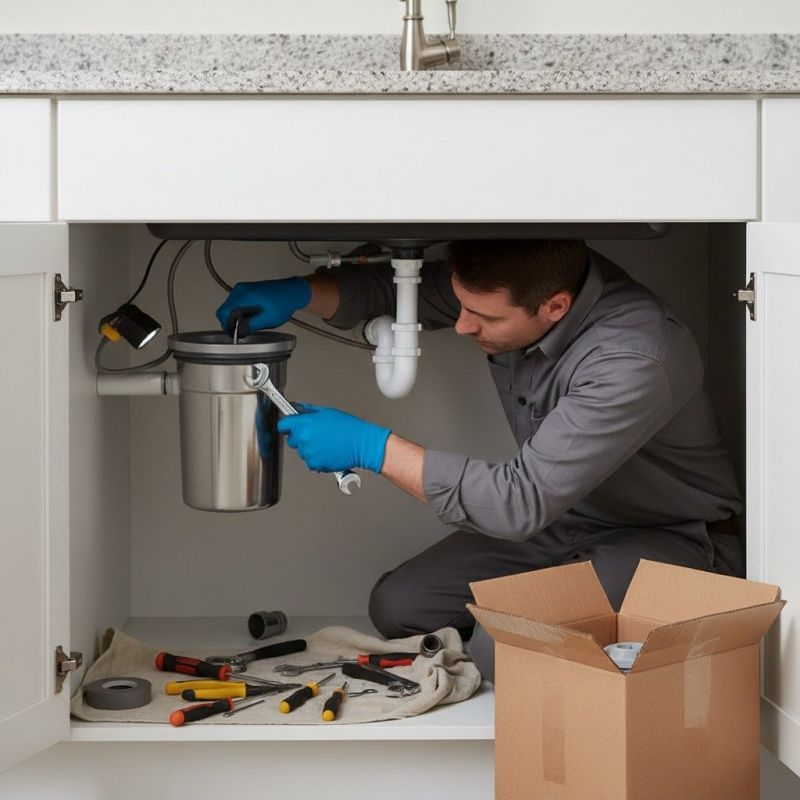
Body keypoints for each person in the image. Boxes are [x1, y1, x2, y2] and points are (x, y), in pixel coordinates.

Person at [216, 240, 743, 682]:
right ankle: (564, 598)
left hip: (673, 536)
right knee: (400, 606)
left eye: (483, 317)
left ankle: (581, 614)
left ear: (555, 308)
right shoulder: (522, 282)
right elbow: (411, 294)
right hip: (571, 516)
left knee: (497, 649)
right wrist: (301, 292)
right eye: (462, 307)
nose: (463, 326)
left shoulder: (632, 359)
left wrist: (371, 447)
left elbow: (520, 502)